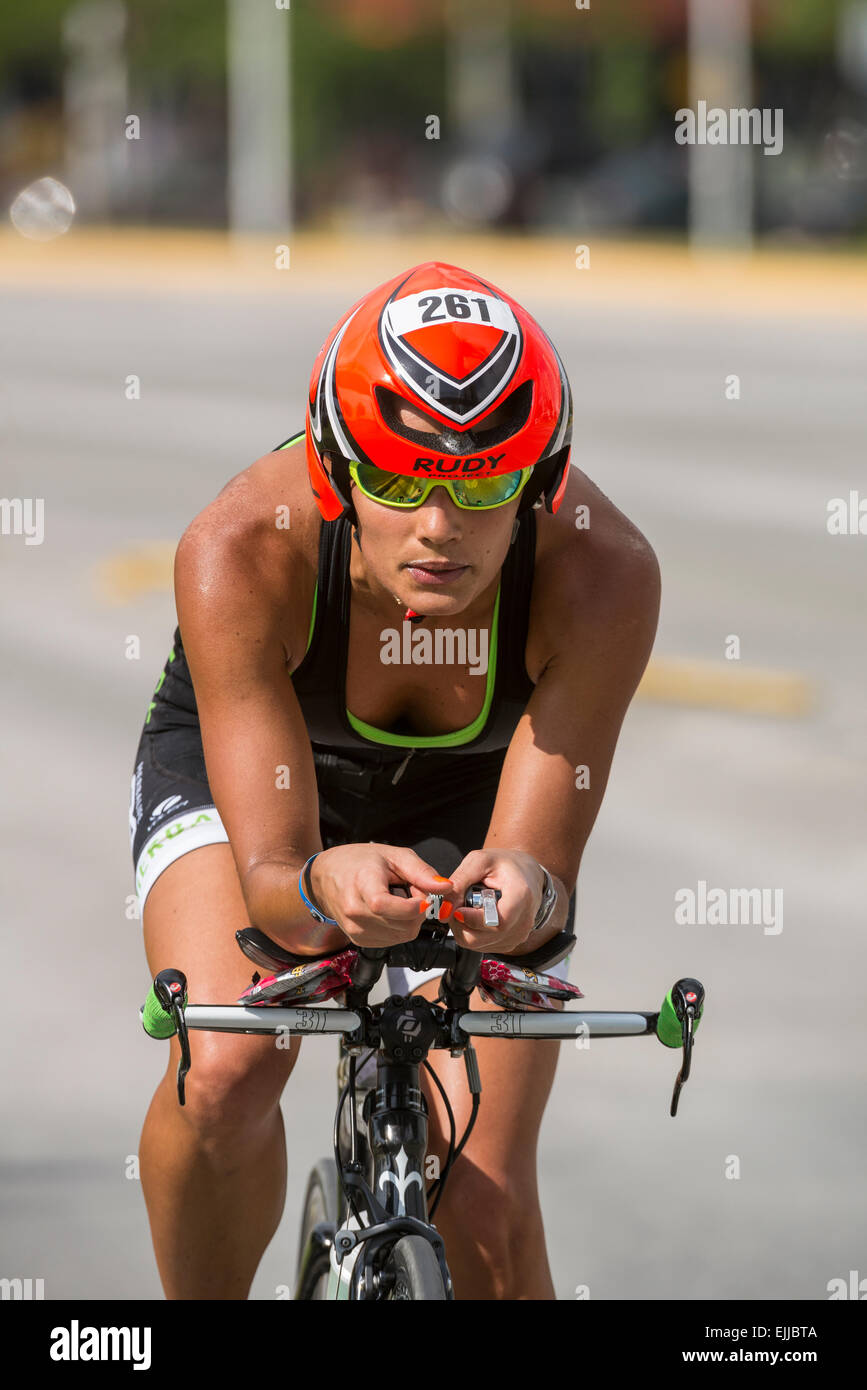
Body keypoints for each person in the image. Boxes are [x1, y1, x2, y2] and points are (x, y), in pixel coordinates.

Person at [129, 260, 660, 1300]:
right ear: (335, 471)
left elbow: (541, 879)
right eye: (403, 479)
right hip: (270, 785)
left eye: (482, 485)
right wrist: (323, 885)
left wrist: (523, 898)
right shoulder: (238, 548)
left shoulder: (605, 574)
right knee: (230, 1071)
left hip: (471, 797)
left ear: (539, 482)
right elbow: (277, 874)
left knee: (486, 1194)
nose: (440, 525)